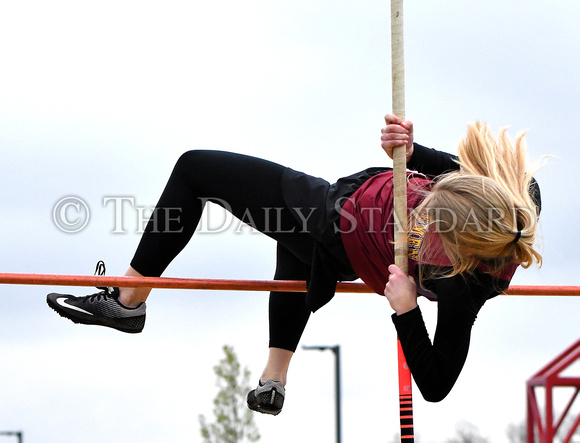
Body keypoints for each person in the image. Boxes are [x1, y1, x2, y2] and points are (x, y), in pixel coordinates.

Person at [47, 114, 542, 414]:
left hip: (336, 221)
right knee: (296, 242)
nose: (425, 201)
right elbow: (451, 170)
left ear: (464, 251)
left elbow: (437, 384)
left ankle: (128, 300)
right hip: (345, 215)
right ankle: (273, 381)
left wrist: (407, 311)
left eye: (431, 223)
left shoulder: (466, 289)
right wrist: (411, 150)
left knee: (195, 168)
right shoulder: (505, 198)